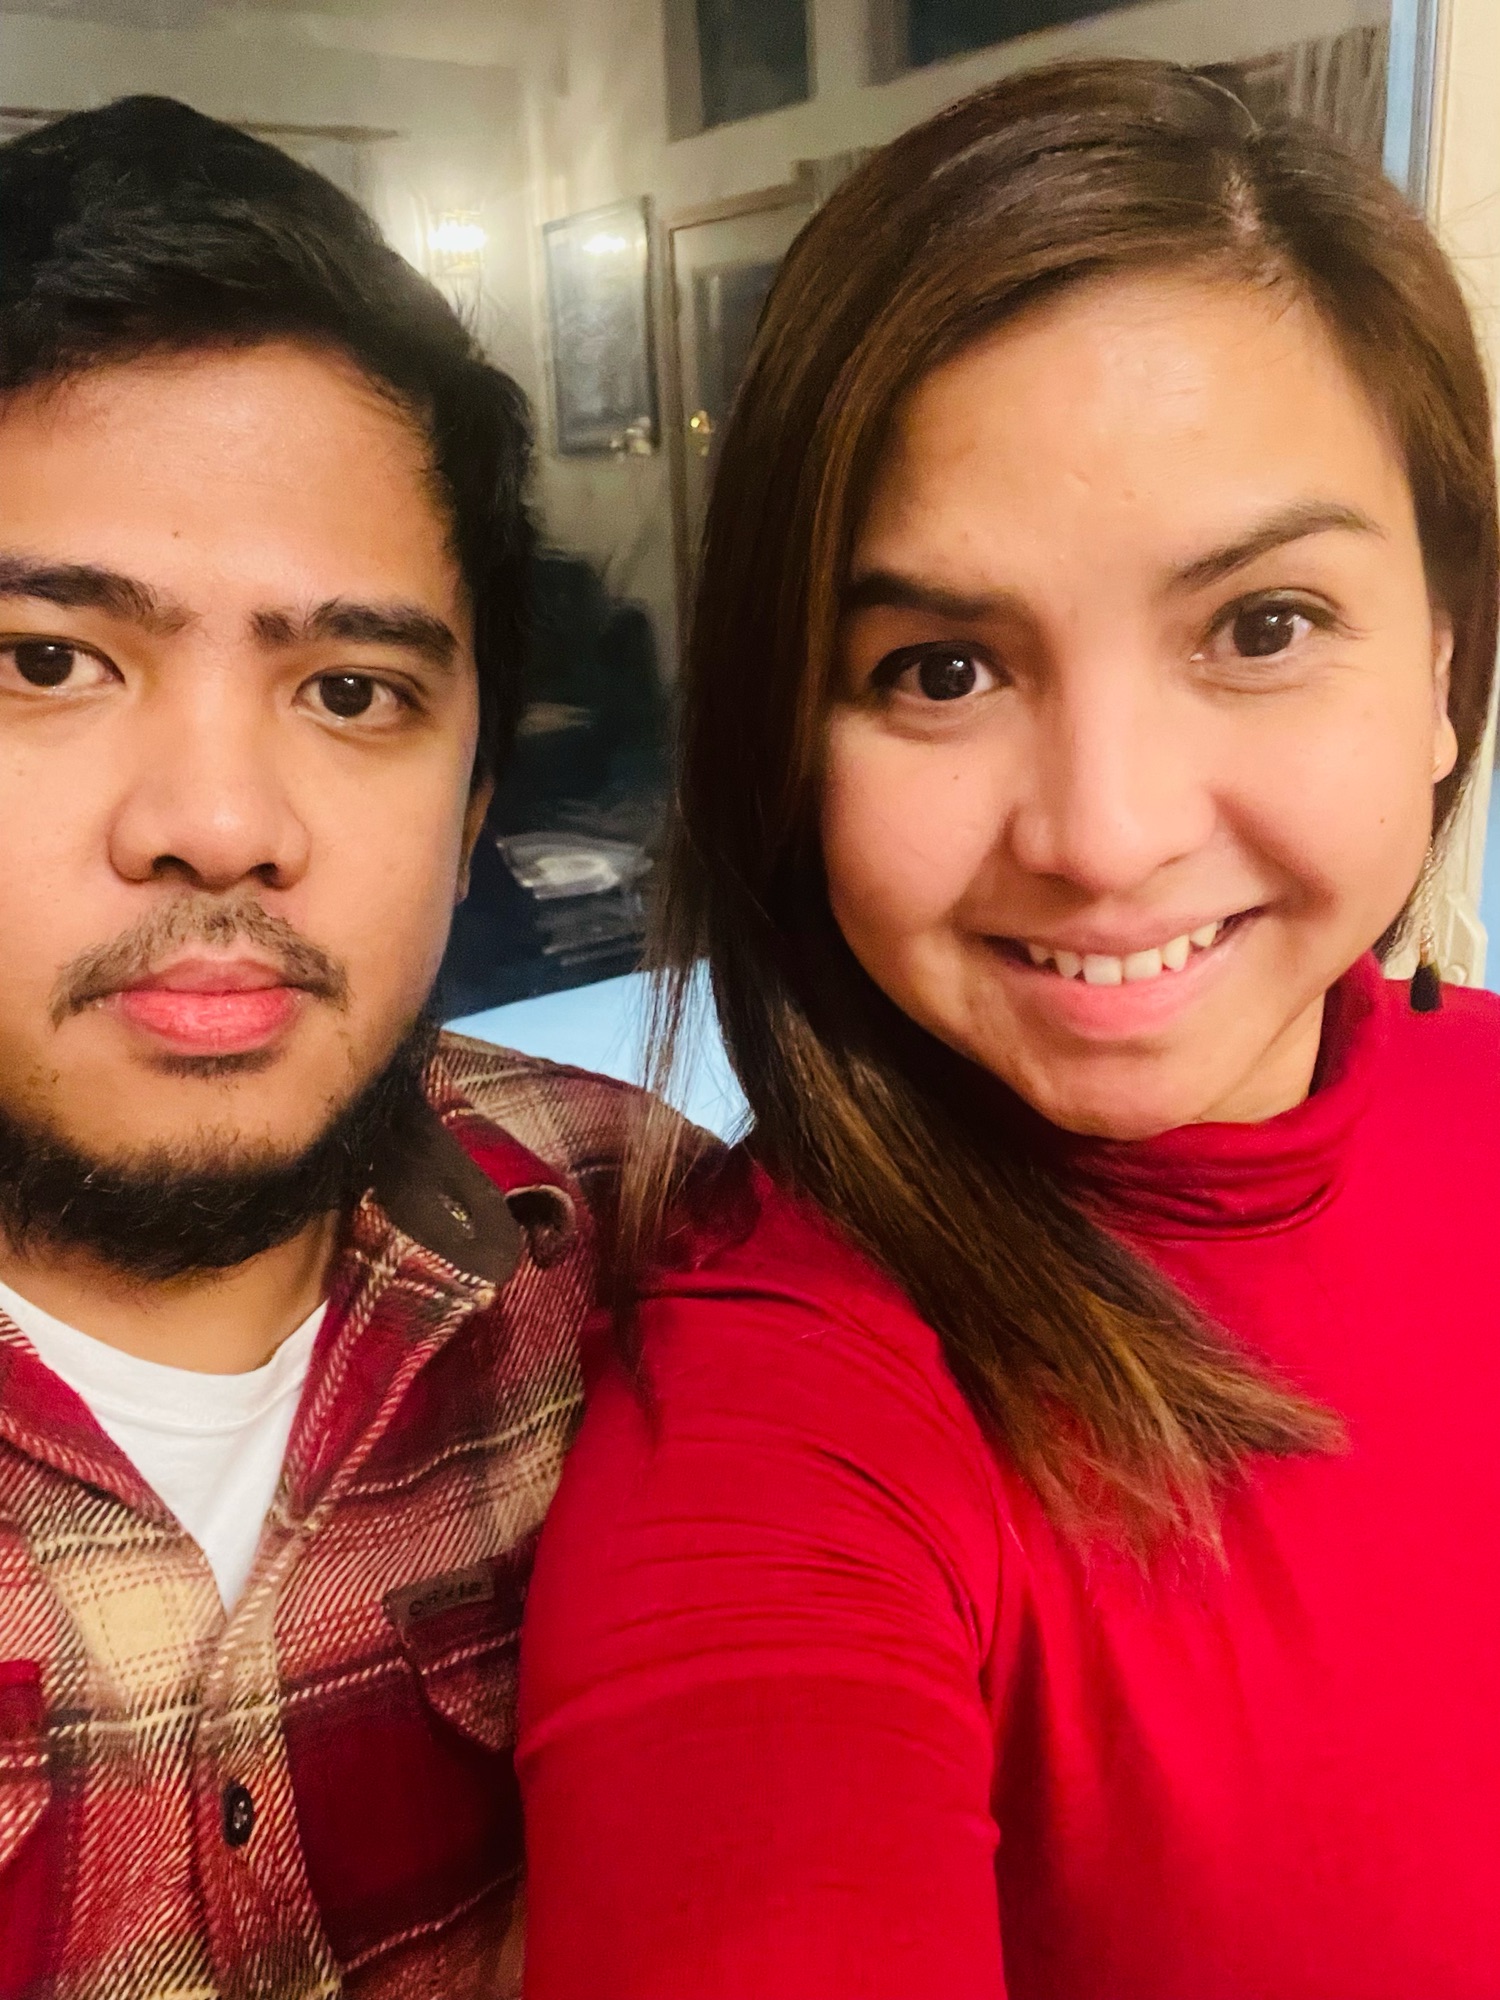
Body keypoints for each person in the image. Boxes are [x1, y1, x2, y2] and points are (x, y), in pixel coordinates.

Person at [518, 60, 1500, 2000]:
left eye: (1262, 625)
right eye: (943, 668)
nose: (1104, 834)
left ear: (1447, 665)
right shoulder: (780, 1406)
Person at [0, 97, 643, 1998]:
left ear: (473, 802)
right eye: (46, 661)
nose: (219, 824)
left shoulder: (644, 1242)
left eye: (351, 690)